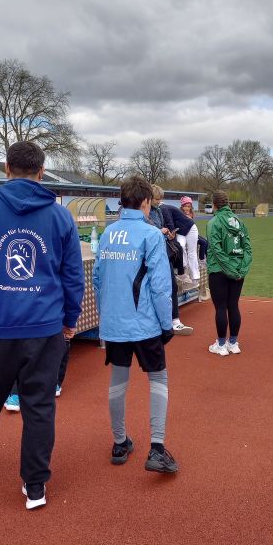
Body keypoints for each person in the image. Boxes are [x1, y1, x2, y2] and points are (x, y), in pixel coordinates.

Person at [0, 141, 84, 510]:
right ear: (41, 172)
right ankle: (35, 485)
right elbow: (73, 277)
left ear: (7, 169)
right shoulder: (60, 217)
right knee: (39, 406)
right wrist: (70, 320)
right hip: (43, 329)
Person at [93, 175, 179, 474]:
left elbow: (98, 278)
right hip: (144, 324)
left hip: (115, 323)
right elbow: (160, 285)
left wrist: (107, 316)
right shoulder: (151, 234)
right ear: (145, 202)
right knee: (158, 378)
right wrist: (167, 324)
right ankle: (157, 448)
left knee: (118, 379)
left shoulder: (108, 233)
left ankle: (119, 442)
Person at [206, 190, 252, 356]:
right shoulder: (240, 222)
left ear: (214, 205)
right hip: (238, 270)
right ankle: (233, 343)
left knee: (221, 307)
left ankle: (221, 345)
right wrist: (241, 270)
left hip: (219, 270)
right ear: (228, 203)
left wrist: (230, 270)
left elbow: (216, 250)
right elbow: (247, 248)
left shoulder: (213, 222)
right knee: (233, 305)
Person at [150, 185, 192, 335]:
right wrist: (158, 231)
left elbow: (160, 228)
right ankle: (162, 322)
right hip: (152, 255)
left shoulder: (158, 210)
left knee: (172, 286)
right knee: (155, 289)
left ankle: (175, 320)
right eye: (157, 199)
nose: (159, 202)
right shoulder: (145, 212)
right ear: (149, 198)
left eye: (160, 199)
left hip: (163, 252)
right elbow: (147, 231)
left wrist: (168, 234)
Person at [161, 198, 199, 287]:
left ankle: (195, 279)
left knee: (192, 252)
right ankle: (183, 268)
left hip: (190, 228)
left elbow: (170, 224)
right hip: (180, 232)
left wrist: (171, 237)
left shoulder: (163, 208)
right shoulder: (160, 209)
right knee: (180, 246)